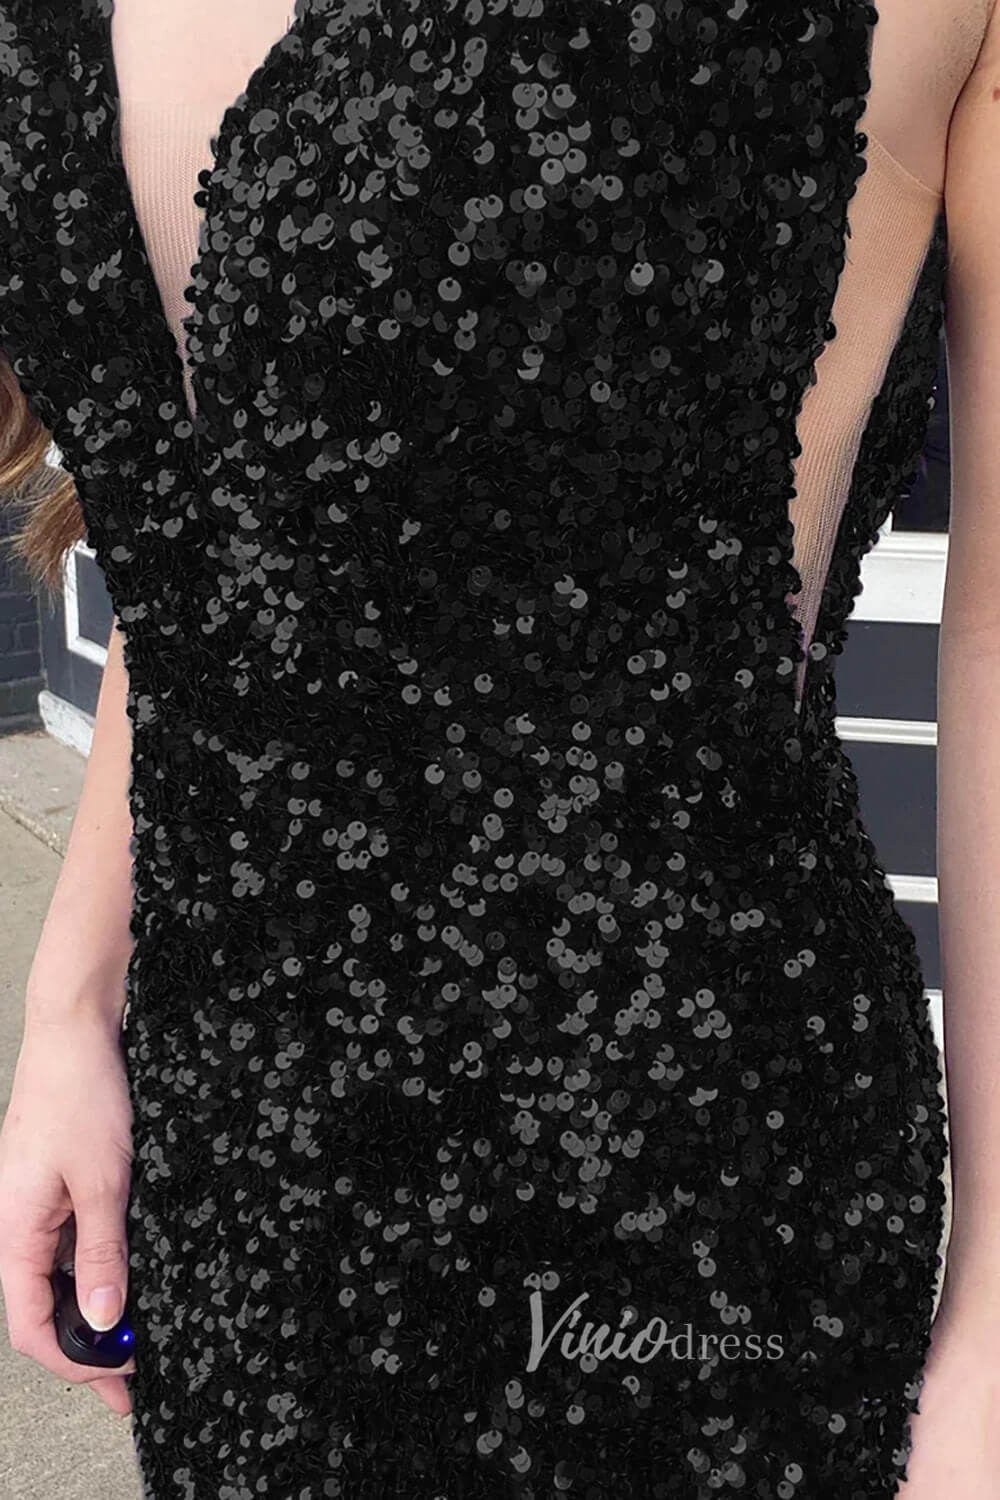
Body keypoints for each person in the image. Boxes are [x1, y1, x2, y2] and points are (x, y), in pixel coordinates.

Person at [0, 0, 996, 1493]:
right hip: (232, 1160)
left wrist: (993, 1360)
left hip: (671, 1184)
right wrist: (72, 1000)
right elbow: (243, 549)